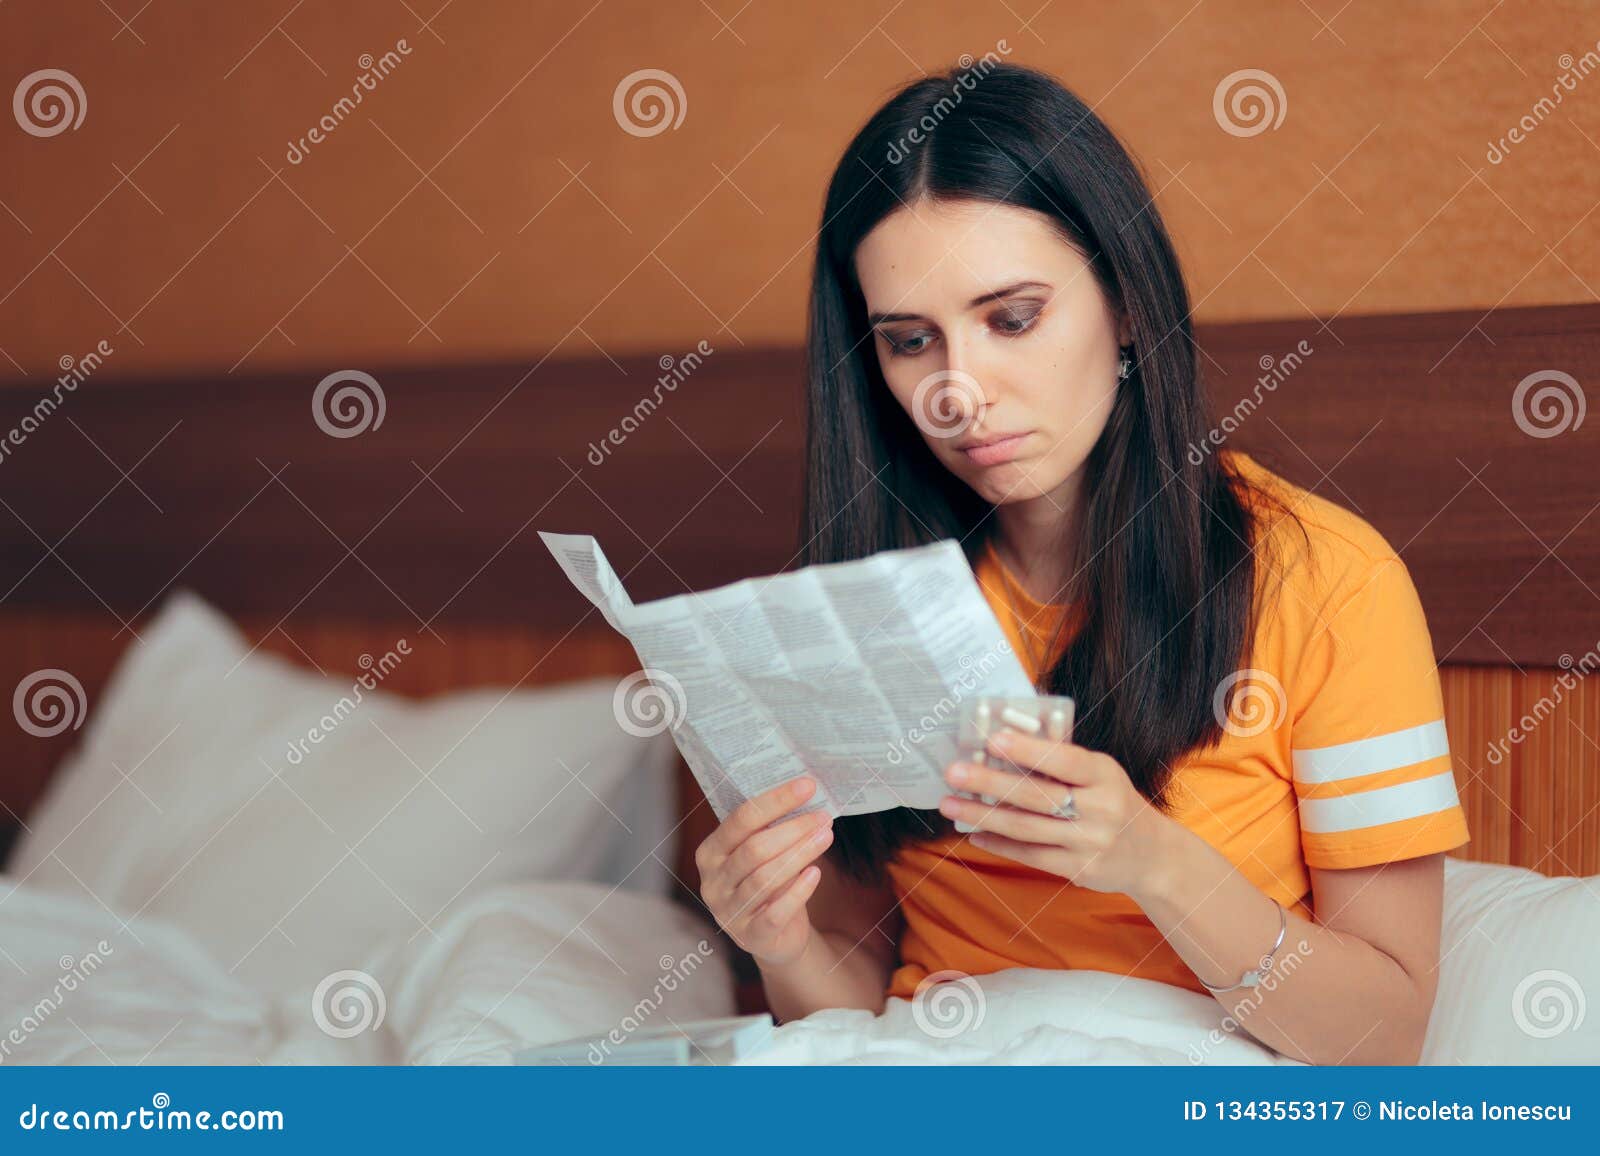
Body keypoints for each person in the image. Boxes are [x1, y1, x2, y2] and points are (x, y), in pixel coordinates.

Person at [694, 63, 1469, 1065]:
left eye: (1011, 318)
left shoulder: (1327, 580)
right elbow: (852, 1001)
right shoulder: (871, 594)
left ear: (1128, 305)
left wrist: (1150, 860)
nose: (957, 393)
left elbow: (1383, 1035)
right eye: (908, 341)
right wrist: (778, 936)